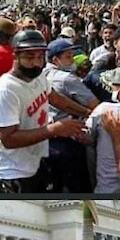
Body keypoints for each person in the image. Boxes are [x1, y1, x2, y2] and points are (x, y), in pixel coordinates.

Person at [0, 29, 87, 193]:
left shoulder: (38, 76)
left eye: (40, 57)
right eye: (29, 57)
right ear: (15, 56)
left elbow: (55, 98)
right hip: (11, 169)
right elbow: (8, 139)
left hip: (33, 160)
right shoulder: (7, 89)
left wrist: (86, 112)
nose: (36, 63)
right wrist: (54, 129)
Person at [42, 39, 99, 193]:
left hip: (46, 136)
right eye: (68, 57)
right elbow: (95, 104)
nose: (73, 60)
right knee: (79, 185)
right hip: (70, 137)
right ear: (56, 60)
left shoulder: (41, 74)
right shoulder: (67, 79)